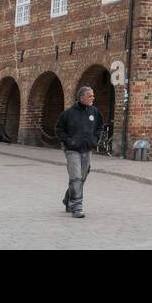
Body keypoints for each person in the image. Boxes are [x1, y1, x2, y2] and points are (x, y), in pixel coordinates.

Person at [56, 86, 103, 219]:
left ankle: (68, 199)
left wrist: (95, 139)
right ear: (82, 98)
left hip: (87, 149)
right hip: (72, 150)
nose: (93, 98)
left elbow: (100, 127)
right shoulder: (69, 113)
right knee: (75, 177)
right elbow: (59, 129)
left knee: (81, 177)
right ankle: (77, 207)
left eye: (93, 95)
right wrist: (69, 141)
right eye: (90, 96)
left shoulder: (95, 112)